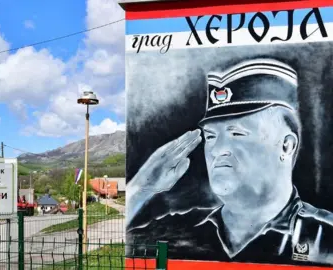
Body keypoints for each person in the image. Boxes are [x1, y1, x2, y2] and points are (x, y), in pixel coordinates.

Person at [125, 58, 333, 266]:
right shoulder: (181, 229)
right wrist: (143, 187)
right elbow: (125, 244)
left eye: (236, 133)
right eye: (211, 136)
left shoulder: (325, 237)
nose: (217, 150)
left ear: (286, 146)